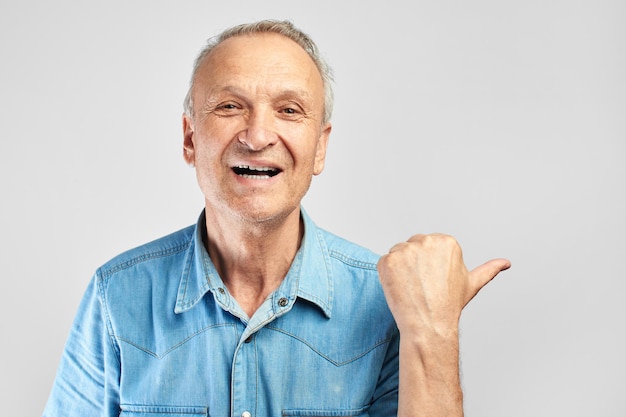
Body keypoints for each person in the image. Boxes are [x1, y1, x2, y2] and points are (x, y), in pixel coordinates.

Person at [43, 20, 510, 417]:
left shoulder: (387, 301)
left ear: (320, 146)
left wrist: (433, 330)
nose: (259, 134)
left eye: (289, 110)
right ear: (190, 139)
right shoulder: (117, 295)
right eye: (230, 106)